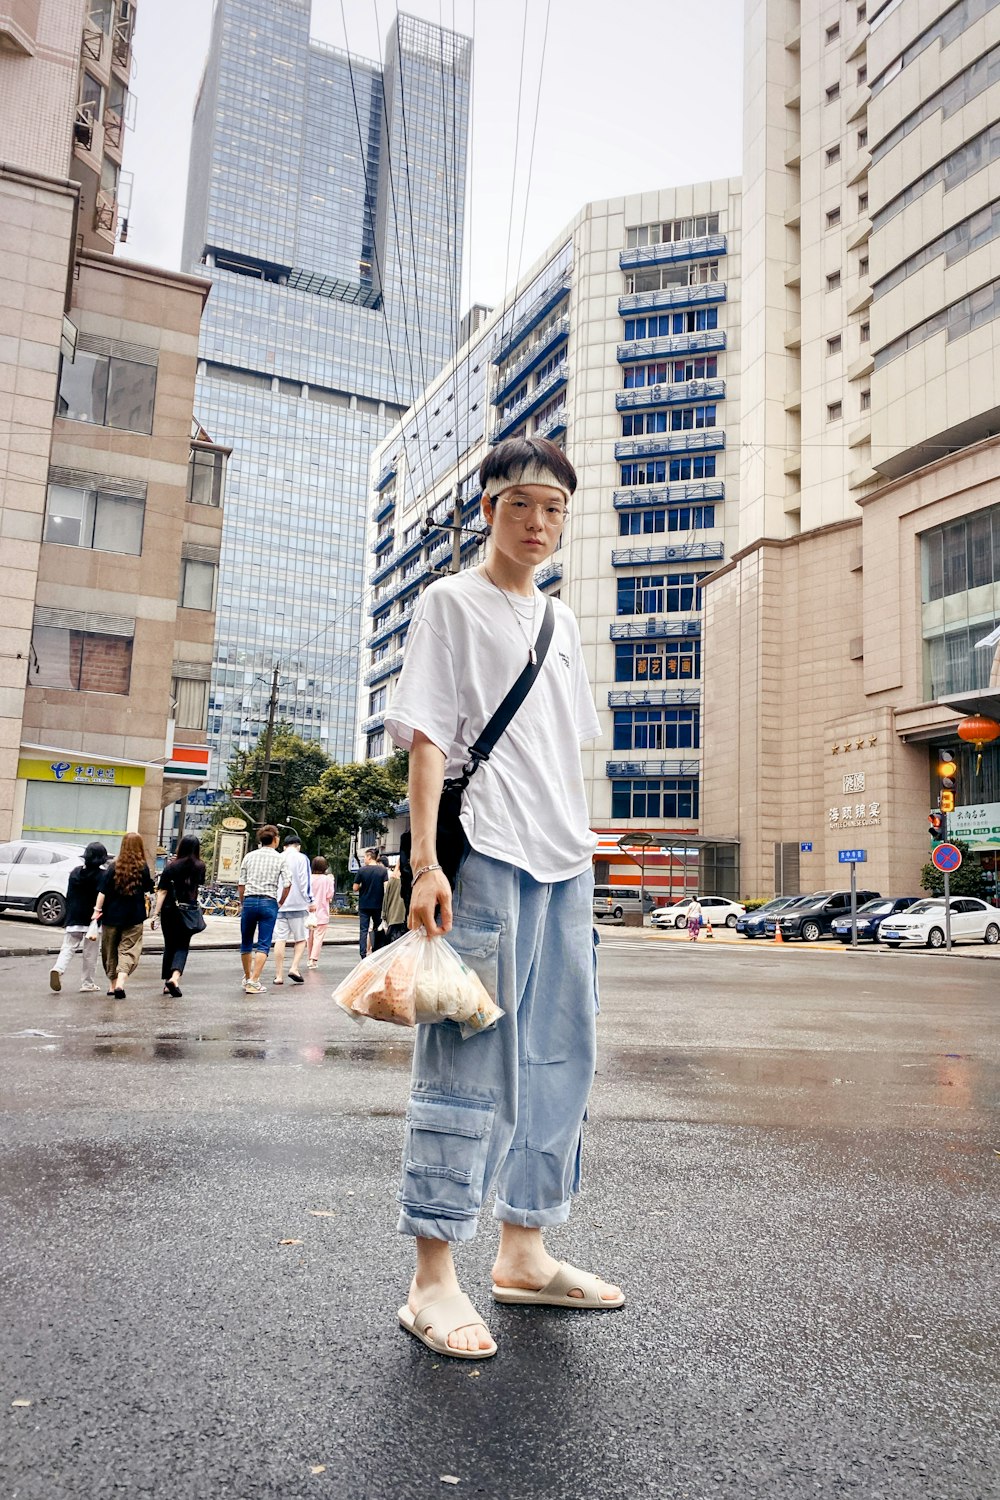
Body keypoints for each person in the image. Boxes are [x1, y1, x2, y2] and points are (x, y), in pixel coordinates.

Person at [384, 435, 623, 1363]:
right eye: (521, 503)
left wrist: (585, 853)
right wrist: (424, 864)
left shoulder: (562, 626)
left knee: (561, 1053)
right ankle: (432, 1278)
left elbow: (564, 749)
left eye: (555, 509)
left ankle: (524, 1250)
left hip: (566, 862)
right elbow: (429, 739)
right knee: (466, 1059)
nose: (538, 522)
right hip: (483, 857)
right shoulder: (451, 603)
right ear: (488, 510)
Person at [92, 832, 155, 999]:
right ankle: (121, 982)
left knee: (109, 950)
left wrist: (96, 911)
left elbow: (102, 892)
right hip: (134, 916)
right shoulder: (142, 867)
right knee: (128, 950)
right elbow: (149, 887)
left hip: (111, 916)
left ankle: (112, 986)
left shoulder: (113, 867)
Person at [237, 825, 290, 993]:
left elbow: (241, 884)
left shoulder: (249, 856)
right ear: (275, 839)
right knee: (264, 943)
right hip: (269, 902)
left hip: (250, 901)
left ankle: (247, 977)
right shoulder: (280, 858)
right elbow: (288, 884)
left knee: (246, 941)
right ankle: (254, 980)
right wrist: (280, 901)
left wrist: (243, 902)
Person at [152, 835, 207, 997]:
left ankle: (167, 983)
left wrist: (155, 914)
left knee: (169, 945)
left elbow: (162, 890)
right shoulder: (200, 866)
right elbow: (200, 883)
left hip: (170, 910)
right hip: (188, 910)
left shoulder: (171, 866)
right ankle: (175, 978)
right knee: (182, 945)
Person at [49, 841, 107, 993]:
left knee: (68, 947)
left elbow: (70, 895)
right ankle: (87, 983)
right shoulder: (103, 875)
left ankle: (58, 968)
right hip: (93, 920)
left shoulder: (75, 872)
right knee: (90, 953)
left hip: (74, 917)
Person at [272, 831, 311, 985]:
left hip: (279, 905)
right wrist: (310, 900)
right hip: (298, 904)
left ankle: (278, 975)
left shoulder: (277, 857)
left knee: (280, 939)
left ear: (284, 846)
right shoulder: (302, 858)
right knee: (300, 939)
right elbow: (304, 881)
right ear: (298, 846)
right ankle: (294, 968)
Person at [353, 847, 388, 959]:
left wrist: (363, 886)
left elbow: (355, 887)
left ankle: (363, 953)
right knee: (378, 927)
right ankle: (377, 949)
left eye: (365, 857)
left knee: (364, 929)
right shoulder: (382, 870)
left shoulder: (362, 870)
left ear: (369, 857)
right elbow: (386, 886)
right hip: (378, 904)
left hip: (364, 904)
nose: (364, 859)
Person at [306, 855, 335, 969]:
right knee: (318, 937)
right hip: (322, 911)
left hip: (309, 911)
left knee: (309, 937)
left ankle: (309, 957)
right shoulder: (327, 879)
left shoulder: (308, 878)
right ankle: (313, 960)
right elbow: (329, 895)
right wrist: (331, 881)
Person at [380, 860, 407, 945]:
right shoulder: (411, 881)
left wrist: (384, 915)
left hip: (392, 917)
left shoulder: (392, 879)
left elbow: (386, 898)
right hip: (405, 918)